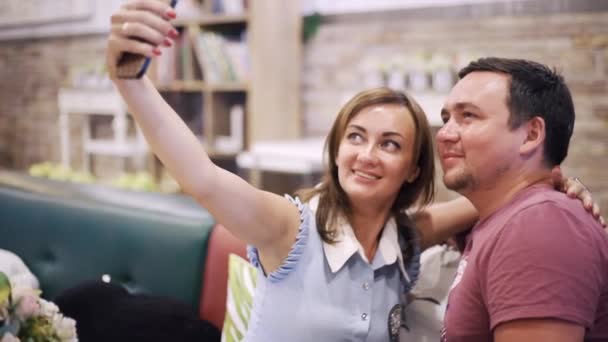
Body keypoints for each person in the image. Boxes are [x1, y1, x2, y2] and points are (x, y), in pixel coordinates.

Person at [103, 2, 606, 341]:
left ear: (412, 169)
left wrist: (557, 183)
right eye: (355, 137)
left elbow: (500, 196)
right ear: (337, 149)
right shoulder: (289, 228)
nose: (367, 155)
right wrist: (132, 85)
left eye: (390, 145)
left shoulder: (408, 240)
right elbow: (202, 177)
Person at [437, 57, 608, 342]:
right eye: (446, 119)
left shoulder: (539, 225)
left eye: (468, 116)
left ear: (531, 134)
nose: (444, 134)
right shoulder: (508, 219)